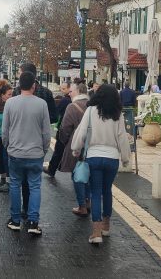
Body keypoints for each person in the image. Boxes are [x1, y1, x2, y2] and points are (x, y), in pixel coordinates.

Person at [71, 84, 130, 244]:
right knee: (107, 191)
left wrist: (75, 149)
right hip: (112, 158)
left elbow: (81, 132)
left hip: (94, 157)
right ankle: (106, 227)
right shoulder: (118, 114)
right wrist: (125, 158)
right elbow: (122, 138)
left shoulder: (91, 111)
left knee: (95, 193)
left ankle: (96, 233)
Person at [3, 72, 51, 235]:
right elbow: (46, 133)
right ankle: (32, 221)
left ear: (18, 85)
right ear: (34, 85)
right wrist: (43, 150)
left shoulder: (10, 103)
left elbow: (5, 131)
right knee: (35, 186)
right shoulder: (42, 104)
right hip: (35, 153)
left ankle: (15, 220)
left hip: (15, 152)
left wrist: (7, 146)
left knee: (15, 185)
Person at [12, 63, 58, 215]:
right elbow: (53, 117)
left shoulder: (16, 92)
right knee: (33, 183)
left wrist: (8, 144)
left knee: (19, 182)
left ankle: (20, 213)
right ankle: (31, 214)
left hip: (18, 142)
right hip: (37, 143)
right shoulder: (46, 93)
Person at [58, 79, 91, 216]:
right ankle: (88, 200)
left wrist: (65, 142)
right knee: (87, 174)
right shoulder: (92, 106)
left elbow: (65, 128)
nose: (69, 94)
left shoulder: (72, 107)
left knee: (77, 175)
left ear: (78, 91)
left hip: (76, 144)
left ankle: (82, 205)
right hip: (91, 144)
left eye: (71, 91)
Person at [44, 81, 72, 177]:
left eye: (63, 89)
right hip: (74, 130)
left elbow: (56, 111)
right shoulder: (75, 101)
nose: (61, 90)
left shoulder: (65, 100)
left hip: (64, 128)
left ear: (70, 89)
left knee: (58, 151)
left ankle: (52, 169)